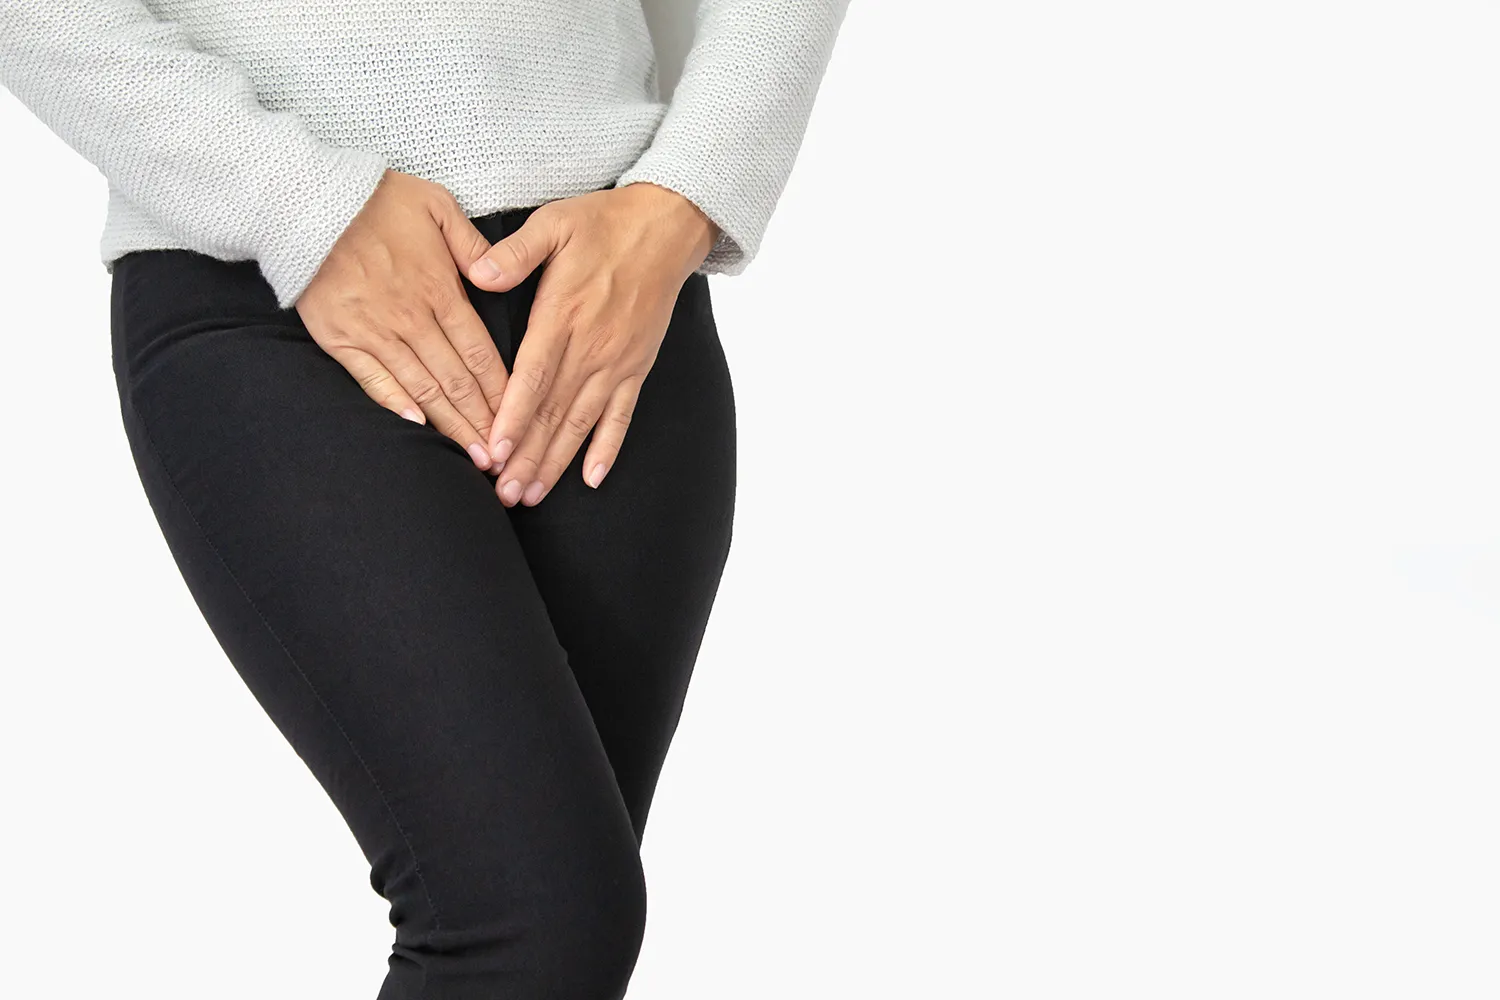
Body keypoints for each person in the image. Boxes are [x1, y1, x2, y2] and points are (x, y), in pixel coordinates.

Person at [0, 1, 849, 996]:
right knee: (533, 920)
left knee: (554, 947)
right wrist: (292, 198)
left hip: (606, 284)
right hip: (277, 285)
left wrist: (689, 190)